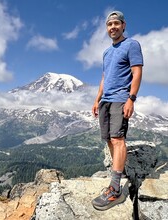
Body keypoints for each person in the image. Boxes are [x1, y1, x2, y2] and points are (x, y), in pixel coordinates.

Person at [91, 11, 143, 211]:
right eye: (109, 24)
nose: (112, 27)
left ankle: (115, 190)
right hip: (105, 100)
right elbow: (105, 76)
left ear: (123, 25)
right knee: (108, 139)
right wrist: (97, 99)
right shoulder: (106, 52)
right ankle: (116, 177)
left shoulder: (132, 45)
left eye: (116, 23)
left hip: (121, 98)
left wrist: (131, 99)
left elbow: (137, 71)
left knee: (118, 139)